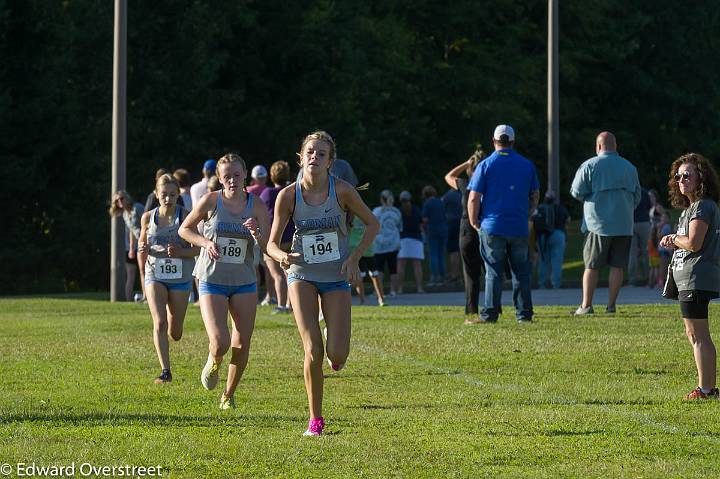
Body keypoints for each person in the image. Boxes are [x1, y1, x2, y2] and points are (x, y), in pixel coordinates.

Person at [266, 131, 379, 436]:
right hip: (301, 273)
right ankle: (315, 420)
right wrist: (282, 256)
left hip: (336, 276)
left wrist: (354, 258)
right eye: (310, 152)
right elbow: (271, 244)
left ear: (331, 162)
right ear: (300, 157)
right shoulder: (288, 195)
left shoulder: (342, 191)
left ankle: (334, 339)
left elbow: (373, 223)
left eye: (322, 154)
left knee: (337, 355)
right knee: (313, 350)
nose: (315, 157)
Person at [178, 153, 270, 409]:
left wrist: (257, 232)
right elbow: (184, 229)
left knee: (241, 343)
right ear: (219, 178)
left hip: (244, 281)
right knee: (220, 341)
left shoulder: (257, 205)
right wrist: (205, 242)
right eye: (226, 176)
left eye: (236, 175)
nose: (232, 181)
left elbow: (268, 245)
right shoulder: (211, 201)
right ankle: (214, 359)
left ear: (245, 175)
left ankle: (228, 395)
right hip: (212, 278)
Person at [660, 153, 720, 400]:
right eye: (678, 176)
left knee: (698, 334)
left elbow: (694, 243)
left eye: (687, 175)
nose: (681, 179)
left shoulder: (703, 206)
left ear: (701, 178)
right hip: (690, 277)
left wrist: (673, 239)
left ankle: (706, 389)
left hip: (696, 276)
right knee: (694, 333)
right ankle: (706, 388)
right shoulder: (694, 207)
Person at [468, 125, 539, 323]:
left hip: (492, 225)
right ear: (513, 142)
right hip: (518, 226)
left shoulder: (485, 165)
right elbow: (535, 194)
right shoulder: (527, 165)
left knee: (493, 272)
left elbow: (474, 197)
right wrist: (529, 212)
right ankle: (524, 314)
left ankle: (490, 313)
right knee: (521, 271)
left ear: (494, 141)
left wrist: (474, 221)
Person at [570, 131, 641, 315]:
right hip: (624, 224)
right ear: (615, 146)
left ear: (599, 146)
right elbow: (637, 196)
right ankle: (611, 306)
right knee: (617, 266)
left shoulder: (589, 165)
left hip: (597, 225)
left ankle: (586, 306)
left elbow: (576, 192)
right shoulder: (629, 167)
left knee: (591, 265)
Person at [138, 174, 199, 384]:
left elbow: (198, 248)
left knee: (176, 332)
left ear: (178, 195)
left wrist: (180, 252)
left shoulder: (187, 216)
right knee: (160, 322)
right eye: (164, 194)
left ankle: (175, 331)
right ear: (156, 194)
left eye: (172, 195)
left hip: (181, 277)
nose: (168, 199)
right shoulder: (147, 217)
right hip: (155, 274)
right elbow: (141, 245)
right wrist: (142, 250)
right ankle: (165, 371)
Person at [444, 148, 484, 323]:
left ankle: (471, 309)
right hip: (484, 228)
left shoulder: (465, 185)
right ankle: (493, 307)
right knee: (490, 271)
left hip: (466, 230)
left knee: (470, 274)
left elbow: (448, 176)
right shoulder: (488, 184)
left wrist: (466, 164)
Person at [260, 160, 294, 313]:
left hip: (273, 239)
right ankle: (290, 304)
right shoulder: (291, 192)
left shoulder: (267, 193)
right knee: (290, 274)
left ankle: (281, 305)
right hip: (291, 236)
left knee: (277, 275)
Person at [109, 191, 144, 301]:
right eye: (117, 201)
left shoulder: (137, 208)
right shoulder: (125, 214)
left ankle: (149, 296)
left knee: (147, 270)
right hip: (139, 243)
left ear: (127, 198)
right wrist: (131, 248)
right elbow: (131, 231)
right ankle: (144, 296)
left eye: (122, 198)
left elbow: (148, 222)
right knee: (142, 270)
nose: (120, 201)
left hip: (149, 241)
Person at [535, 191, 570, 289]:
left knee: (543, 261)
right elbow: (568, 220)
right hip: (558, 235)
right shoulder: (560, 208)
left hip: (543, 236)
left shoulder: (540, 208)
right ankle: (556, 284)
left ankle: (542, 284)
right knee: (557, 261)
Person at [372, 190, 402, 297]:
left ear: (381, 199)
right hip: (393, 243)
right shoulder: (396, 211)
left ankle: (378, 292)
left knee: (379, 269)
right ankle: (393, 291)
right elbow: (400, 226)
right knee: (393, 269)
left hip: (379, 244)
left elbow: (372, 226)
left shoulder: (376, 211)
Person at [349, 215, 385, 305]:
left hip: (368, 249)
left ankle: (381, 299)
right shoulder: (349, 216)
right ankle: (362, 301)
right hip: (355, 250)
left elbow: (376, 228)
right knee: (359, 276)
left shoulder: (366, 214)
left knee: (374, 274)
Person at [397, 191, 425, 294]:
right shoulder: (416, 210)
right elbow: (421, 225)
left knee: (401, 265)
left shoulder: (398, 211)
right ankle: (419, 288)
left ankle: (400, 289)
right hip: (416, 239)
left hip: (402, 239)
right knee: (417, 265)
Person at [422, 185, 448, 286]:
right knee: (441, 254)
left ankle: (434, 277)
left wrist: (424, 227)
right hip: (443, 229)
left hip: (432, 230)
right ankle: (442, 276)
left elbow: (425, 219)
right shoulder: (441, 202)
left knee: (433, 254)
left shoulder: (427, 204)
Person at [628, 188, 652, 286]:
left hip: (631, 223)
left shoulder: (628, 193)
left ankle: (633, 279)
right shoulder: (644, 193)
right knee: (646, 251)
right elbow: (649, 207)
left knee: (632, 254)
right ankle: (648, 277)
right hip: (644, 223)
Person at [442, 187, 462, 282]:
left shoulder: (447, 196)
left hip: (451, 224)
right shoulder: (462, 194)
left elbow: (442, 209)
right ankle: (465, 274)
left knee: (453, 251)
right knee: (463, 250)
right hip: (463, 223)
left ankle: (455, 274)